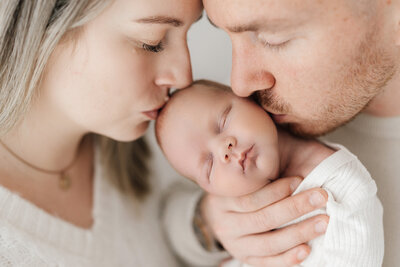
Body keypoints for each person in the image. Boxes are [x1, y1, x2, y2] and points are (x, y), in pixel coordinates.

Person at [0, 0, 225, 266]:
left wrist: (207, 228)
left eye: (187, 35)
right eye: (151, 42)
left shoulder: (169, 139)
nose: (183, 77)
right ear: (48, 27)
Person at [187, 0, 400, 266]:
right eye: (226, 35)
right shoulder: (252, 128)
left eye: (273, 39)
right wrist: (206, 222)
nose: (239, 84)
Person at [156, 80, 384, 267]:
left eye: (223, 122)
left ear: (250, 100)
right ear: (211, 191)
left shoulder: (342, 187)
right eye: (208, 165)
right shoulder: (238, 223)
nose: (223, 150)